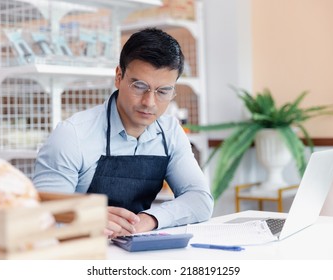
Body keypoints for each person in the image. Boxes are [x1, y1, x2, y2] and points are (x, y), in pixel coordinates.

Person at [33, 28, 214, 237]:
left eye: (163, 91)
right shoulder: (71, 136)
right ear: (119, 77)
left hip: (134, 249)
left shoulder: (170, 132)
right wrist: (88, 218)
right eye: (139, 86)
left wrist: (150, 220)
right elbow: (41, 216)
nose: (149, 102)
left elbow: (200, 199)